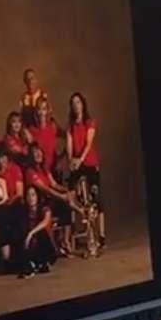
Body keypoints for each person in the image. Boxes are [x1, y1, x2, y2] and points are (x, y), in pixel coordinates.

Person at [66, 92, 106, 250]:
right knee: (70, 195)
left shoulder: (90, 122)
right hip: (76, 165)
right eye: (73, 103)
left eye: (78, 102)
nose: (76, 106)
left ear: (83, 104)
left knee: (96, 198)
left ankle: (100, 235)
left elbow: (88, 143)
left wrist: (80, 159)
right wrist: (70, 161)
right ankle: (84, 218)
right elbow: (69, 146)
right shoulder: (70, 126)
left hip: (89, 163)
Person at [0, 145, 27, 267]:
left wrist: (7, 201)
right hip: (2, 208)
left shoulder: (15, 169)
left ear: (7, 158)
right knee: (2, 221)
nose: (1, 161)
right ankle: (6, 259)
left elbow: (19, 193)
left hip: (16, 204)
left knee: (3, 214)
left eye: (3, 157)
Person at [16, 185, 58, 279]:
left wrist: (31, 233)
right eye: (28, 195)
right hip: (32, 246)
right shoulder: (24, 212)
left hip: (46, 246)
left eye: (33, 195)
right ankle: (31, 264)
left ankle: (42, 262)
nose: (31, 198)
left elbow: (46, 221)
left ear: (37, 196)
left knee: (41, 232)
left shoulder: (45, 209)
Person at [27, 100, 63, 176]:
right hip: (39, 171)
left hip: (53, 169)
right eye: (39, 109)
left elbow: (66, 137)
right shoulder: (31, 129)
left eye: (44, 109)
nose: (41, 112)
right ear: (36, 111)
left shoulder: (53, 126)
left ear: (47, 111)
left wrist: (60, 159)